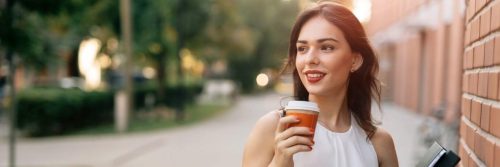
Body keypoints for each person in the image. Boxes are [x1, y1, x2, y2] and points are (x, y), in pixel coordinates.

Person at [242, 2, 398, 167]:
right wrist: (279, 162)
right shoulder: (273, 128)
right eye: (302, 49)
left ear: (355, 60)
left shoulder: (379, 143)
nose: (310, 59)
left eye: (326, 47)